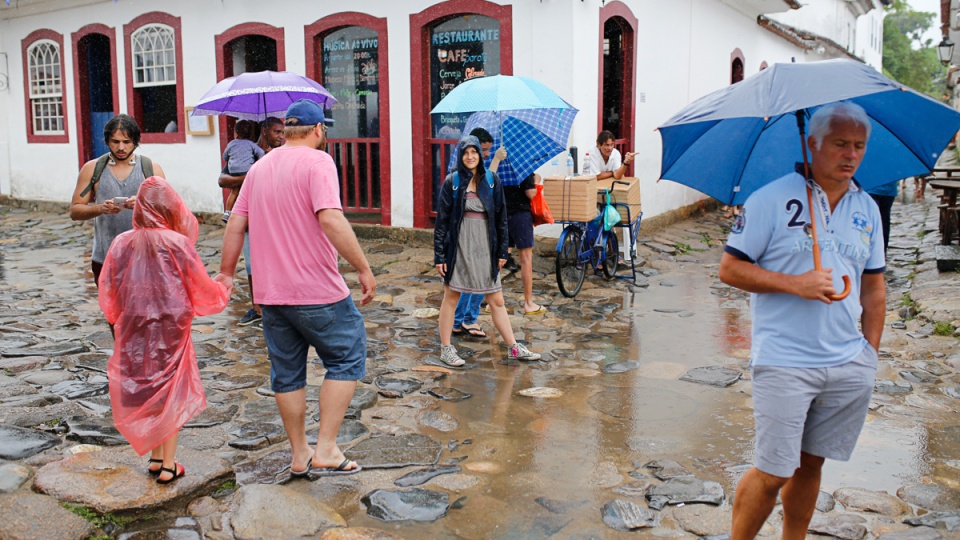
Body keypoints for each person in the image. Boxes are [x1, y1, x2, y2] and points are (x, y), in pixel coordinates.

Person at [718, 102, 885, 540]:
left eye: (859, 146)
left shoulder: (867, 207)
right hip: (785, 360)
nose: (851, 155)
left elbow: (874, 287)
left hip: (848, 362)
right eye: (840, 144)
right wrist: (796, 284)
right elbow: (730, 269)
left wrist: (870, 353)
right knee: (774, 470)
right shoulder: (771, 199)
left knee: (811, 463)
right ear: (812, 145)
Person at [219, 99, 375, 477]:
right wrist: (364, 268)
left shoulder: (259, 167)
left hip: (271, 296)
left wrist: (226, 273)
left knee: (287, 374)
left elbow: (235, 224)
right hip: (317, 290)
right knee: (347, 357)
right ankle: (326, 448)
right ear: (319, 130)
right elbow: (331, 218)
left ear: (286, 130)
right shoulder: (318, 161)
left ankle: (299, 453)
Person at [99, 176, 231, 484]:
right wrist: (222, 288)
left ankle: (157, 458)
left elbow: (109, 287)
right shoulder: (177, 243)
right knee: (170, 389)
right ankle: (169, 465)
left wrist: (119, 317)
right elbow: (198, 284)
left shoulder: (121, 242)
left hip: (134, 326)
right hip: (171, 327)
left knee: (148, 388)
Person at [434, 135, 541, 366]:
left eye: (474, 152)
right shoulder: (451, 182)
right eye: (466, 152)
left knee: (497, 299)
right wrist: (439, 255)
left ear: (481, 156)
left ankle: (513, 347)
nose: (470, 156)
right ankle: (446, 348)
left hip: (485, 247)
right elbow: (442, 222)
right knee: (451, 297)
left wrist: (503, 251)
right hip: (460, 247)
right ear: (461, 156)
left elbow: (501, 218)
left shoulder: (492, 180)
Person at [70, 114, 165, 287]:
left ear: (135, 142)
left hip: (145, 257)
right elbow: (75, 211)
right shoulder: (92, 169)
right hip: (105, 257)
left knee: (142, 311)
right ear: (107, 141)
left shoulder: (151, 169)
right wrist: (100, 208)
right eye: (115, 141)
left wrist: (143, 205)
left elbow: (168, 212)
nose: (121, 147)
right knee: (113, 312)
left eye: (126, 142)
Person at [218, 116, 285, 327]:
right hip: (250, 218)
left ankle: (279, 305)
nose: (281, 137)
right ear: (264, 131)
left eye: (283, 132)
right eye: (276, 132)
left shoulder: (281, 155)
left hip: (274, 217)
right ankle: (257, 308)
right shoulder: (246, 153)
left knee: (277, 262)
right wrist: (252, 174)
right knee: (251, 265)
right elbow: (223, 180)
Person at [453, 127, 507, 338]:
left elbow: (496, 206)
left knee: (482, 278)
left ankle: (467, 318)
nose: (484, 155)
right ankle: (463, 319)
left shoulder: (490, 175)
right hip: (467, 235)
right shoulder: (458, 177)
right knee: (467, 278)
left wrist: (502, 248)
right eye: (481, 150)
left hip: (486, 234)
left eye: (484, 151)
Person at [504, 170, 546, 315]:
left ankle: (492, 302)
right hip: (520, 214)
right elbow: (530, 193)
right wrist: (536, 180)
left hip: (501, 214)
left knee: (499, 257)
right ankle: (528, 303)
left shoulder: (497, 166)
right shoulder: (521, 166)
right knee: (526, 259)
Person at [221, 119, 266, 223]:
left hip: (233, 172)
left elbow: (225, 156)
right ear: (250, 134)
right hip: (246, 171)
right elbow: (261, 154)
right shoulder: (250, 144)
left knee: (234, 192)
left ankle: (227, 213)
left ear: (236, 133)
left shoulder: (231, 144)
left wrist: (233, 159)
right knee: (247, 192)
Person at [867, 180, 898, 253]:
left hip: (873, 189)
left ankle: (877, 249)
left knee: (875, 221)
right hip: (888, 190)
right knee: (883, 221)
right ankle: (881, 250)